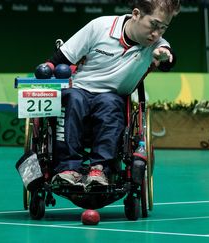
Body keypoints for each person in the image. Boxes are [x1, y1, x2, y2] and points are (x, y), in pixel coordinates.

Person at [49, 0, 181, 188]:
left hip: (112, 98)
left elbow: (169, 58)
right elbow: (61, 57)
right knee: (72, 99)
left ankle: (100, 169)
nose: (156, 34)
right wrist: (47, 69)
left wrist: (165, 56)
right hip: (79, 90)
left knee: (110, 103)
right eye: (153, 25)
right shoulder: (100, 26)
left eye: (163, 28)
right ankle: (67, 169)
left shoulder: (156, 45)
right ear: (136, 14)